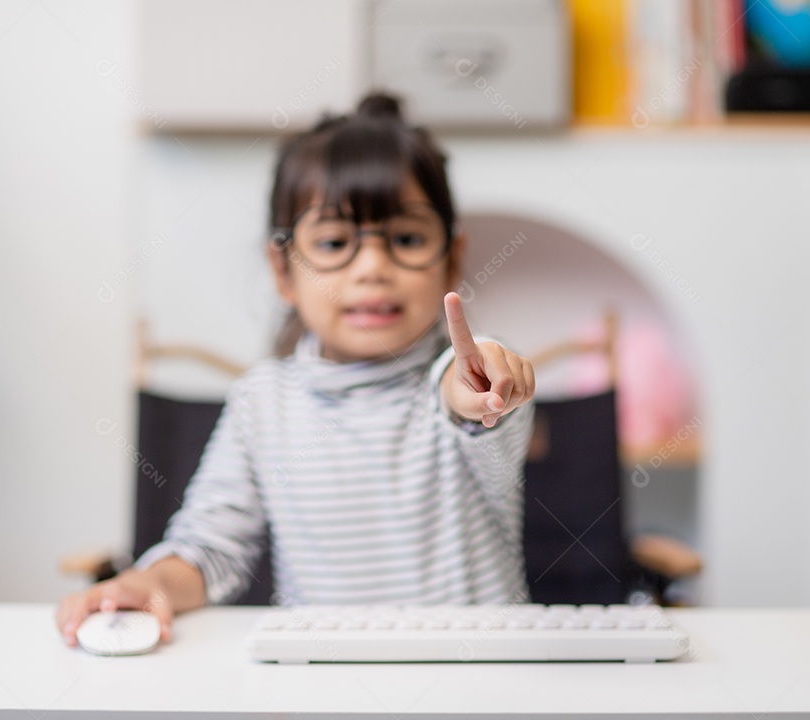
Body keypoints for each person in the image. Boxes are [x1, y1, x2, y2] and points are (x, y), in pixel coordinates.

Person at [56, 92, 536, 647]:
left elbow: (473, 404)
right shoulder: (262, 402)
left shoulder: (466, 384)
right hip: (325, 685)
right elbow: (210, 549)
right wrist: (148, 583)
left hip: (480, 680)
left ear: (451, 259)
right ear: (282, 269)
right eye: (334, 242)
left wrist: (479, 389)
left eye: (406, 239)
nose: (374, 268)